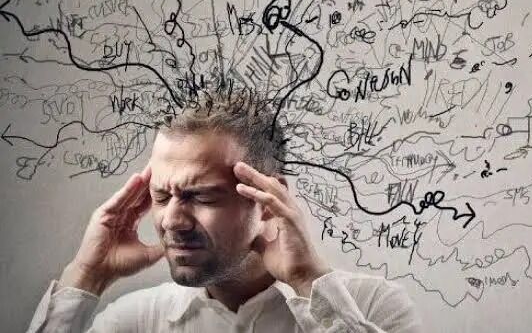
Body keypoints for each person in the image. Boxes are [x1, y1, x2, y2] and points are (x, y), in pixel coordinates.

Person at [27, 93, 423, 332]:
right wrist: (87, 276)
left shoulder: (370, 306)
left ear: (266, 199)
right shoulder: (136, 321)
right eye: (161, 196)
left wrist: (308, 282)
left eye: (201, 196)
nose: (171, 221)